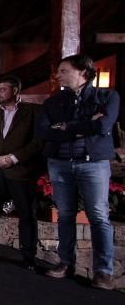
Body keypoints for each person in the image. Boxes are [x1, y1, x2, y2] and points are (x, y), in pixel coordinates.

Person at [37, 54, 119, 290]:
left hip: (93, 164)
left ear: (82, 71)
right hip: (60, 163)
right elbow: (44, 132)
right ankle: (65, 262)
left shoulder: (107, 97)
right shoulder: (53, 102)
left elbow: (103, 126)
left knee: (98, 215)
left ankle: (103, 271)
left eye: (63, 70)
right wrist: (83, 127)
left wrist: (65, 126)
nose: (58, 75)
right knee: (64, 214)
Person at [0, 76, 42, 269]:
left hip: (20, 172)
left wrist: (13, 158)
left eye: (3, 90)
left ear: (15, 91)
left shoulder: (33, 112)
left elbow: (37, 142)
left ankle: (28, 255)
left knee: (27, 213)